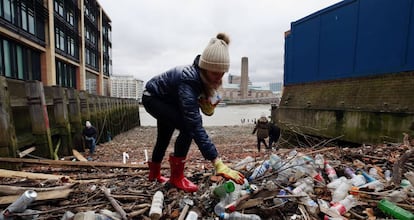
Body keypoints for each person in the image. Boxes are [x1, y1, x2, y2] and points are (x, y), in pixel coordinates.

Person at [142, 33, 245, 193]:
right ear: (204, 67)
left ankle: (154, 174)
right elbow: (195, 124)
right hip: (153, 98)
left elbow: (203, 110)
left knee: (164, 137)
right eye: (214, 73)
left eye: (222, 73)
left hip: (167, 101)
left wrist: (208, 105)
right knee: (187, 128)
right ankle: (176, 178)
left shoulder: (203, 79)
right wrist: (217, 162)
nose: (218, 78)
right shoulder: (189, 80)